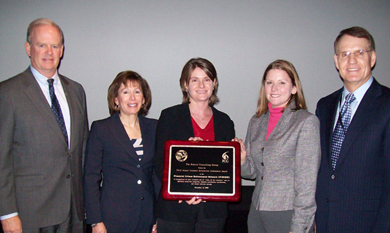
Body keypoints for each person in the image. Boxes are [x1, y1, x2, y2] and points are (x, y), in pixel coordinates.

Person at [0, 18, 88, 232]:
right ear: (28, 48)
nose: (49, 51)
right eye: (42, 45)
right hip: (30, 214)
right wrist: (7, 213)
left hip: (74, 212)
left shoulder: (76, 91)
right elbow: (1, 157)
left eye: (55, 46)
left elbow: (82, 151)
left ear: (62, 50)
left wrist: (87, 203)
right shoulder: (8, 92)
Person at [315, 26, 390, 232]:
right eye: (345, 54)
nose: (352, 60)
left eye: (359, 52)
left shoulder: (387, 104)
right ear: (336, 61)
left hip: (368, 224)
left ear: (372, 58)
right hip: (324, 222)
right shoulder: (324, 105)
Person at [153, 57, 235, 233]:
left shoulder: (225, 121)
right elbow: (159, 161)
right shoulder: (170, 116)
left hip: (213, 212)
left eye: (207, 79)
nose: (201, 85)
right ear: (185, 85)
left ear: (214, 83)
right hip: (175, 210)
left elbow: (227, 168)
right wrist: (182, 191)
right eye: (194, 80)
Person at [237, 59, 320, 233]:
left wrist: (300, 227)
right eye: (269, 83)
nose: (274, 88)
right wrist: (243, 160)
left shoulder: (305, 122)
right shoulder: (257, 121)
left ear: (294, 88)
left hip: (287, 214)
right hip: (256, 212)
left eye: (282, 82)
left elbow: (307, 183)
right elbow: (252, 173)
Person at [84, 71, 160, 233]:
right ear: (116, 100)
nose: (132, 98)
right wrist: (95, 221)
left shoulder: (154, 128)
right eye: (126, 92)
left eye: (137, 92)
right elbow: (91, 177)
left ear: (144, 98)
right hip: (112, 218)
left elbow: (156, 175)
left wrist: (159, 216)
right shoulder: (102, 129)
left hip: (146, 216)